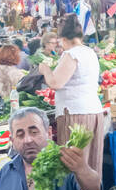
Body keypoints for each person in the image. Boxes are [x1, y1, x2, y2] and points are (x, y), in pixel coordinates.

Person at [40, 15, 108, 175]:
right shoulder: (90, 52)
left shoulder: (72, 54)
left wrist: (45, 70)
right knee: (91, 164)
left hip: (75, 116)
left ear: (63, 39)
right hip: (93, 112)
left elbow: (56, 83)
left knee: (74, 166)